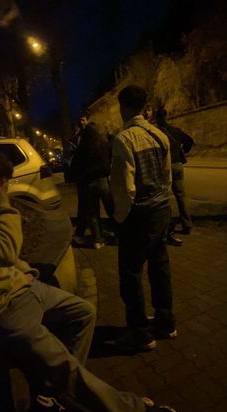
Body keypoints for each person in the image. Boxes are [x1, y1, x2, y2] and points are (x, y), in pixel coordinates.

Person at [0, 151, 182, 412]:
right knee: (66, 369)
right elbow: (2, 252)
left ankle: (51, 397)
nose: (6, 188)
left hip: (21, 285)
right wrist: (1, 203)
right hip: (2, 307)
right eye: (4, 183)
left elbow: (6, 259)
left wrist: (25, 271)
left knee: (83, 312)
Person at [110, 85, 177, 353]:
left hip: (139, 216)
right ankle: (165, 322)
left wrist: (120, 218)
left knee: (131, 273)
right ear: (144, 106)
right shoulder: (159, 135)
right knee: (160, 268)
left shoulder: (124, 139)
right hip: (162, 210)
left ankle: (139, 332)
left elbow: (125, 188)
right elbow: (167, 176)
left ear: (123, 107)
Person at [71, 117, 114, 249]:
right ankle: (118, 234)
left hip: (89, 183)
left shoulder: (82, 148)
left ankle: (98, 240)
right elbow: (110, 159)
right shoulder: (104, 144)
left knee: (93, 213)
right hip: (103, 181)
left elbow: (75, 166)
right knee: (111, 210)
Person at [156, 108, 194, 239]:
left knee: (164, 197)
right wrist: (182, 152)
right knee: (181, 196)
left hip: (164, 168)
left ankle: (168, 226)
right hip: (177, 165)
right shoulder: (176, 131)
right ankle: (187, 225)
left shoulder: (156, 133)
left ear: (156, 118)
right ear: (166, 116)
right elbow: (190, 141)